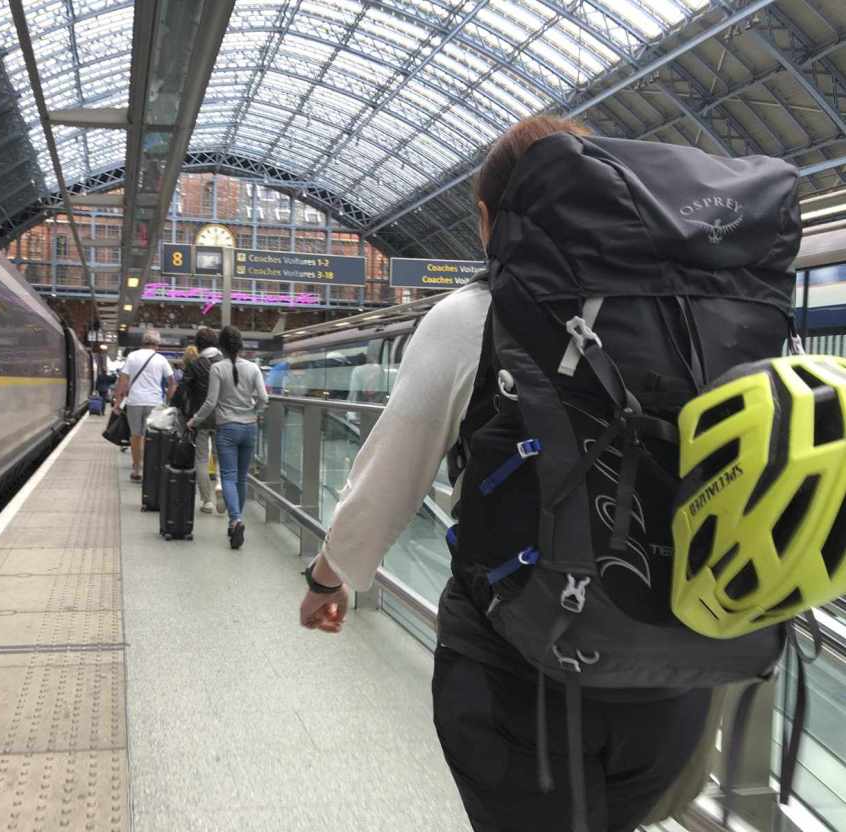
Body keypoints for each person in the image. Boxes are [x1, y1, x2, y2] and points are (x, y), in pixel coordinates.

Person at [294, 114, 800, 832]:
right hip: (680, 677)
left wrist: (329, 577)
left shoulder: (474, 313)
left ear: (487, 219)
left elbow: (388, 479)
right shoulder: (720, 314)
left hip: (518, 674)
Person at [188, 326, 267, 548]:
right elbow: (263, 397)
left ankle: (235, 521)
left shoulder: (217, 368)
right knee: (241, 478)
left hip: (227, 428)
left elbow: (210, 403)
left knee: (229, 477)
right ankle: (235, 522)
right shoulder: (253, 368)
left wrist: (194, 420)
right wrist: (255, 411)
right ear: (240, 345)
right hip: (249, 428)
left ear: (221, 346)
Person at [112, 329, 175, 482]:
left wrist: (118, 402)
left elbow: (123, 380)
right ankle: (148, 469)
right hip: (154, 403)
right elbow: (172, 382)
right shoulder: (161, 359)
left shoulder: (132, 356)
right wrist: (168, 402)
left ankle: (136, 469)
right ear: (157, 344)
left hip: (134, 402)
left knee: (135, 435)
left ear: (143, 342)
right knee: (150, 437)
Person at [177, 328, 223, 514]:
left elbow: (183, 390)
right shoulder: (225, 362)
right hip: (223, 417)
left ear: (198, 345)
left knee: (202, 459)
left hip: (201, 418)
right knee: (222, 457)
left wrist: (180, 410)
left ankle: (207, 502)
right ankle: (220, 485)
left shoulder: (195, 364)